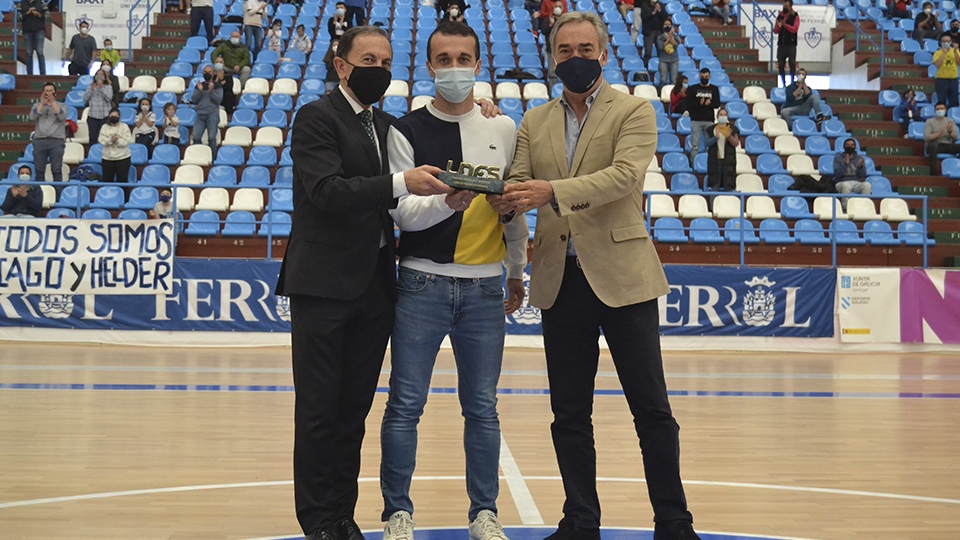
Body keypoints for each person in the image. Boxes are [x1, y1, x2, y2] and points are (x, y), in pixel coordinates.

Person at [498, 11, 701, 540]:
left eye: (585, 48)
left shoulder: (634, 110)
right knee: (568, 413)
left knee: (652, 409)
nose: (575, 58)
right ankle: (580, 521)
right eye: (565, 50)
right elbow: (518, 183)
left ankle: (674, 523)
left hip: (622, 276)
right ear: (552, 57)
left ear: (604, 53)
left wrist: (550, 193)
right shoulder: (532, 121)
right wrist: (499, 194)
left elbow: (624, 178)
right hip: (558, 280)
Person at [274, 25, 456, 540]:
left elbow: (439, 134)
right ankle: (316, 522)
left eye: (386, 61)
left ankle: (342, 515)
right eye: (368, 60)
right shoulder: (315, 118)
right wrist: (400, 182)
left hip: (375, 287)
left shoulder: (387, 124)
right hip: (323, 285)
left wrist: (482, 111)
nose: (379, 69)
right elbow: (328, 191)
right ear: (341, 65)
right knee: (317, 410)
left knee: (353, 410)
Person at [379, 22, 526, 540]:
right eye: (445, 59)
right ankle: (398, 513)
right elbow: (404, 215)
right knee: (405, 404)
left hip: (486, 288)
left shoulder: (504, 128)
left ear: (479, 64)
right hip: (422, 283)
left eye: (464, 57)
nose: (455, 67)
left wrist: (515, 269)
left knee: (482, 408)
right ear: (430, 66)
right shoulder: (406, 129)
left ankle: (483, 513)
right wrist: (449, 201)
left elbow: (515, 210)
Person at [30, 82, 66, 184]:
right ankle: (40, 195)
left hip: (56, 141)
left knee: (56, 170)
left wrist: (53, 103)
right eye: (46, 91)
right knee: (39, 170)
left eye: (51, 91)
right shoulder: (37, 106)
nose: (48, 93)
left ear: (55, 93)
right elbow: (32, 117)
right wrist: (42, 104)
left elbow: (62, 117)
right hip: (40, 140)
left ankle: (58, 197)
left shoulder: (62, 105)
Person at [685, 67, 719, 167]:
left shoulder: (714, 89)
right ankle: (694, 165)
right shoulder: (693, 89)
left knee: (709, 146)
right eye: (702, 76)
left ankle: (708, 165)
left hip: (709, 121)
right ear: (699, 76)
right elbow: (689, 104)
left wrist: (710, 103)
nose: (704, 78)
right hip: (696, 120)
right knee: (695, 145)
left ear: (710, 77)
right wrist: (699, 103)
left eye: (706, 77)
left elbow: (717, 104)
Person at [705, 107, 739, 191]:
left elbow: (736, 143)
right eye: (721, 114)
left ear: (727, 117)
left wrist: (729, 137)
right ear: (717, 117)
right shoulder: (710, 129)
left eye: (724, 115)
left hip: (728, 162)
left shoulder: (732, 129)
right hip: (715, 162)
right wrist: (715, 138)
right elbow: (706, 143)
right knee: (715, 186)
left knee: (728, 186)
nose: (723, 116)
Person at [191, 65, 223, 154]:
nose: (207, 74)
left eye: (209, 72)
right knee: (196, 137)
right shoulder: (199, 85)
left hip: (212, 115)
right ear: (202, 73)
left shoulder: (217, 86)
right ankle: (199, 156)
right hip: (200, 115)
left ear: (213, 74)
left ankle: (212, 160)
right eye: (205, 72)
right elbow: (194, 100)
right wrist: (200, 91)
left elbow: (218, 100)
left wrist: (211, 91)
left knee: (212, 138)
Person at [832, 138, 872, 206]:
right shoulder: (838, 158)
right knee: (846, 185)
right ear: (844, 147)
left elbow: (862, 175)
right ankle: (845, 208)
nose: (849, 147)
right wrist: (845, 164)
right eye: (847, 145)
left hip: (856, 182)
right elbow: (837, 174)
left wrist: (860, 166)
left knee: (867, 185)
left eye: (852, 145)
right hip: (841, 182)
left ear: (855, 147)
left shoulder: (859, 158)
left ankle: (863, 207)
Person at [923, 102, 960, 174]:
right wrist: (939, 133)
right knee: (932, 146)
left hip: (947, 145)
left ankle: (956, 168)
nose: (940, 110)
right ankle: (933, 174)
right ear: (935, 111)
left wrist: (949, 132)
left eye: (942, 109)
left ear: (945, 110)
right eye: (938, 109)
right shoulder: (929, 122)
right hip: (935, 145)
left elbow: (956, 137)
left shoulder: (949, 121)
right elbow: (926, 137)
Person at [99, 108, 133, 184]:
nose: (113, 118)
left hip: (123, 158)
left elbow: (126, 141)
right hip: (107, 158)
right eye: (112, 116)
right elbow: (101, 140)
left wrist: (117, 140)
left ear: (119, 117)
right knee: (107, 182)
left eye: (115, 116)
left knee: (123, 182)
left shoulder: (124, 127)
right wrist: (110, 140)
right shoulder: (104, 127)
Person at [83, 67, 114, 147]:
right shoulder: (90, 87)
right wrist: (92, 89)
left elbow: (109, 98)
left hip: (105, 116)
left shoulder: (108, 87)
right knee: (93, 138)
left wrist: (100, 89)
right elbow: (85, 98)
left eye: (101, 74)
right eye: (98, 74)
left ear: (104, 77)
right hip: (92, 116)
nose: (99, 76)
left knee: (105, 137)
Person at [541, 0, 568, 88]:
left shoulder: (565, 22)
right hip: (551, 50)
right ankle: (553, 91)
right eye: (556, 6)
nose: (558, 8)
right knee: (552, 73)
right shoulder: (548, 20)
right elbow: (543, 31)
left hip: (564, 51)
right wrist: (551, 25)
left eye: (560, 7)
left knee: (565, 72)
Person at [18, 0, 49, 76]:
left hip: (39, 30)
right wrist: (27, 13)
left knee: (40, 52)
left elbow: (48, 17)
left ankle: (43, 74)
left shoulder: (41, 2)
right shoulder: (21, 3)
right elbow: (18, 18)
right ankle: (29, 74)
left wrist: (39, 15)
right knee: (28, 53)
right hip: (27, 31)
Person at [773, 0, 799, 87]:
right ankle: (783, 83)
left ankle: (792, 82)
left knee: (792, 63)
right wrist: (779, 27)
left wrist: (785, 25)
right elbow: (775, 30)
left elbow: (794, 29)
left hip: (791, 44)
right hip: (781, 44)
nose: (785, 8)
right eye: (784, 6)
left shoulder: (795, 16)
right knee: (780, 64)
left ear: (790, 7)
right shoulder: (780, 16)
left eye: (786, 7)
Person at [933, 35, 960, 109]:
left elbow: (959, 62)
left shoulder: (956, 51)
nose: (946, 43)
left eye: (947, 41)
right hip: (941, 79)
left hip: (953, 79)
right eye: (944, 41)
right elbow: (937, 64)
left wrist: (955, 51)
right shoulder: (937, 53)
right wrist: (944, 53)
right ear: (941, 42)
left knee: (954, 101)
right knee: (941, 100)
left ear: (951, 42)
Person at [640, 0, 668, 65]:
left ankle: (660, 67)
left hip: (659, 31)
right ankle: (646, 68)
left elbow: (665, 16)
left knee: (661, 51)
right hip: (648, 32)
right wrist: (653, 12)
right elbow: (643, 17)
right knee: (648, 52)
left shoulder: (660, 5)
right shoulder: (644, 5)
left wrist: (659, 10)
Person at [656, 21, 681, 87]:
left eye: (669, 24)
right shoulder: (660, 37)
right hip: (663, 60)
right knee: (663, 80)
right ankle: (662, 94)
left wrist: (671, 38)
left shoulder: (675, 36)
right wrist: (668, 39)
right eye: (665, 24)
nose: (667, 26)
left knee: (674, 80)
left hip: (674, 60)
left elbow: (676, 45)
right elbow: (661, 47)